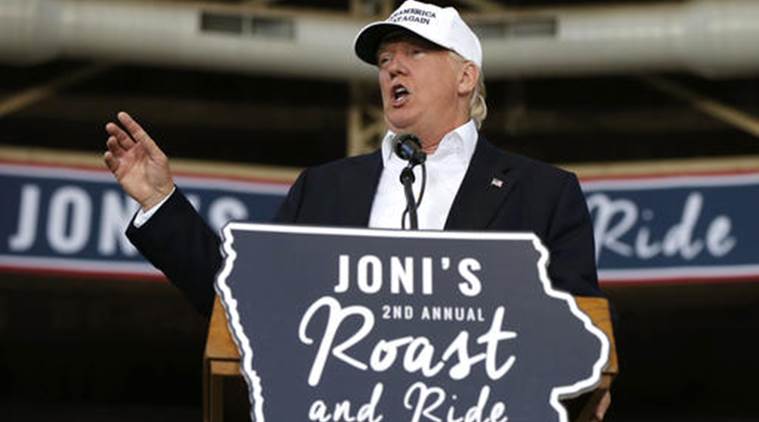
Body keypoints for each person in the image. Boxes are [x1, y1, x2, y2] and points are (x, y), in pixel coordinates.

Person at [104, 1, 610, 418]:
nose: (392, 66)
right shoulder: (325, 189)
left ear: (465, 76)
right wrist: (160, 202)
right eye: (386, 58)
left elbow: (580, 336)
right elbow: (243, 307)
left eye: (415, 51)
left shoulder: (544, 193)